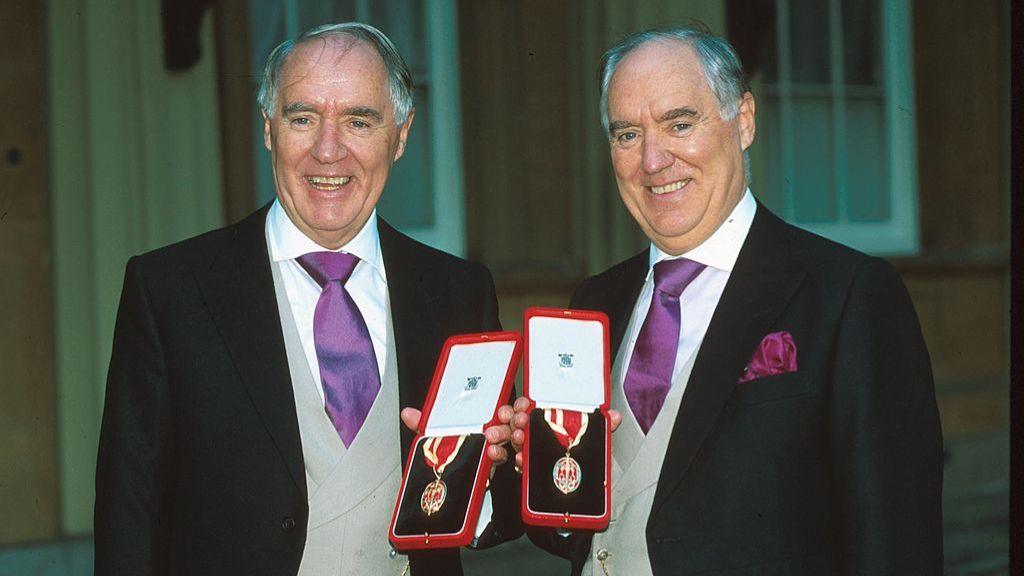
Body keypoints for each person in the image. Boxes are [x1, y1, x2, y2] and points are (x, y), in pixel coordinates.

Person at [511, 25, 943, 575]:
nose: (652, 160)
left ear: (743, 121)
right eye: (626, 135)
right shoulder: (594, 303)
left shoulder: (848, 296)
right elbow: (580, 526)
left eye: (680, 124)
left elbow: (894, 545)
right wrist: (545, 478)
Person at [95, 22, 519, 575]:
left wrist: (485, 478)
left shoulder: (458, 292)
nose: (328, 150)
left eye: (358, 121)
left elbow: (503, 508)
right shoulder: (171, 291)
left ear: (402, 133)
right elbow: (129, 518)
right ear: (269, 128)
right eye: (302, 118)